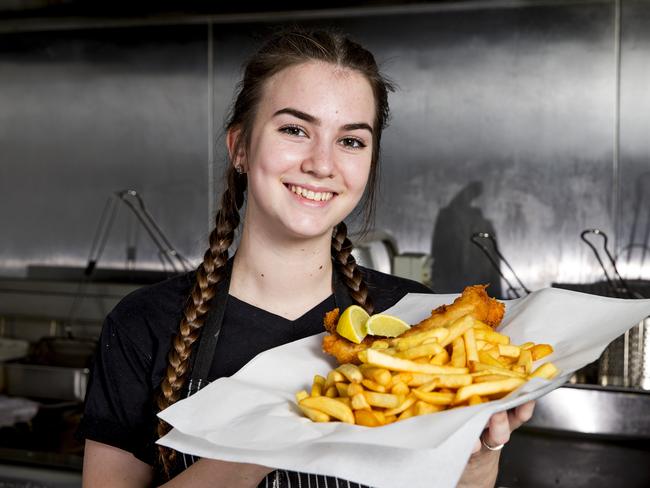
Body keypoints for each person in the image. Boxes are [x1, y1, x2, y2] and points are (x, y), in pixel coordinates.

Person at [78, 29, 535, 488]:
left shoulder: (416, 321)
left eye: (351, 141)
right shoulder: (143, 326)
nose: (322, 163)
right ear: (240, 147)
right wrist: (257, 448)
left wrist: (479, 459)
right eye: (295, 130)